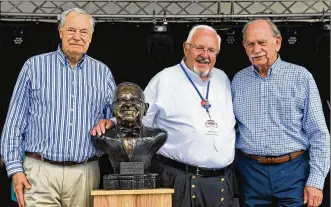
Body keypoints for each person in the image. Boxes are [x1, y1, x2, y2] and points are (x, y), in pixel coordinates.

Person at [92, 25, 236, 207]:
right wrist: (113, 123)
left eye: (211, 50)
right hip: (181, 181)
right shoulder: (164, 79)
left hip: (221, 182)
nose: (205, 55)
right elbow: (140, 115)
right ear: (186, 48)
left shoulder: (222, 79)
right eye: (199, 48)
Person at [1, 8, 116, 207]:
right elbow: (14, 122)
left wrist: (110, 121)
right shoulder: (34, 67)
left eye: (84, 32)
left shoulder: (102, 73)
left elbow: (118, 116)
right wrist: (15, 169)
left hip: (85, 172)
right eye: (71, 30)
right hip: (38, 171)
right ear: (60, 31)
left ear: (91, 37)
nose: (77, 37)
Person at [232, 18, 330, 207]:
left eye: (262, 42)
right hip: (251, 174)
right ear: (244, 47)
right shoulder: (238, 81)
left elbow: (319, 134)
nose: (256, 49)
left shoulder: (301, 77)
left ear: (277, 43)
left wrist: (316, 181)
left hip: (293, 172)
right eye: (250, 44)